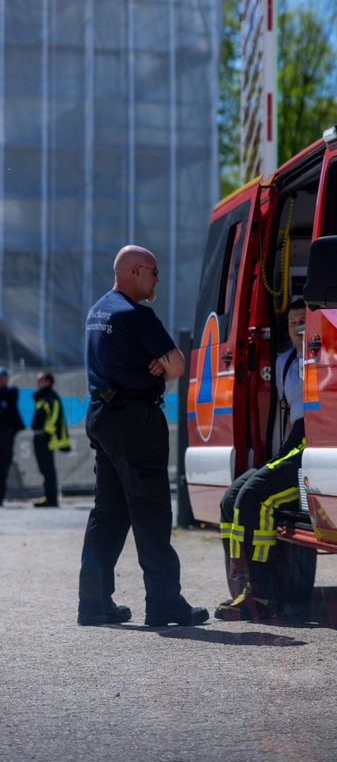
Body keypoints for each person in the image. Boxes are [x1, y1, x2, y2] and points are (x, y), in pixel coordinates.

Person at [78, 245, 209, 627]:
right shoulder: (136, 314)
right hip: (135, 418)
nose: (157, 280)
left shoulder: (98, 311)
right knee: (151, 511)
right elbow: (178, 365)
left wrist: (160, 366)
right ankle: (165, 604)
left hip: (102, 415)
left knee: (109, 512)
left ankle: (94, 604)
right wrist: (161, 369)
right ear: (135, 271)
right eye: (153, 272)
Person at [216, 297, 306, 621]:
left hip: (316, 440)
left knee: (255, 497)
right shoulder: (283, 363)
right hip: (294, 440)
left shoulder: (328, 358)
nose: (299, 327)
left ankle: (264, 595)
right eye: (293, 322)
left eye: (305, 321)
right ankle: (243, 587)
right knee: (231, 499)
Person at [31, 371, 70, 507]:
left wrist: (46, 434)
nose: (38, 382)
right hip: (39, 436)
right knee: (44, 469)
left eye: (41, 379)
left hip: (45, 439)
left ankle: (52, 499)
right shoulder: (41, 397)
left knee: (48, 469)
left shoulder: (50, 396)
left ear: (48, 381)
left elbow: (54, 416)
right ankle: (48, 496)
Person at [0, 366, 25, 505]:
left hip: (6, 437)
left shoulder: (11, 392)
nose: (1, 380)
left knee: (3, 466)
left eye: (3, 377)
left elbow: (9, 395)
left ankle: (0, 497)